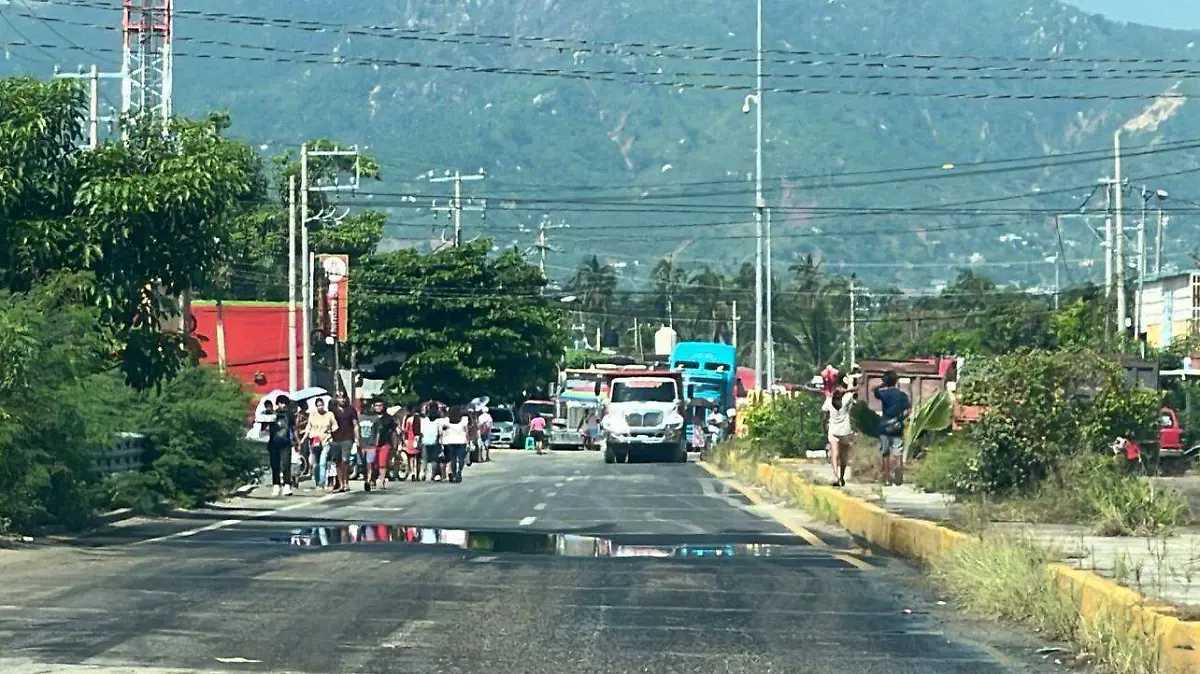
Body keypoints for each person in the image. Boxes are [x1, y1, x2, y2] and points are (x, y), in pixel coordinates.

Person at [874, 371, 911, 487]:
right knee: (897, 451)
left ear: (885, 381)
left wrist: (882, 385)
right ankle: (898, 474)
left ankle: (887, 479)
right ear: (896, 381)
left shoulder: (883, 393)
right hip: (897, 426)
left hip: (884, 426)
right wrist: (899, 419)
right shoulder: (902, 395)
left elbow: (874, 391)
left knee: (885, 452)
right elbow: (908, 411)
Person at [823, 388, 856, 487]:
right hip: (845, 431)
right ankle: (841, 477)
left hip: (834, 430)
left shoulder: (829, 401)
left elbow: (824, 415)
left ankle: (836, 476)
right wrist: (847, 390)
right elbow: (858, 388)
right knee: (843, 456)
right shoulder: (846, 399)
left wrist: (823, 426)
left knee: (835, 454)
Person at [306, 398, 339, 490]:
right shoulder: (312, 415)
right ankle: (317, 482)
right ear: (316, 406)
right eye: (318, 405)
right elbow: (309, 427)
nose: (320, 407)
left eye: (321, 405)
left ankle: (322, 482)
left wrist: (330, 431)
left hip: (326, 441)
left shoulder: (329, 415)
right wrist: (304, 438)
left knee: (322, 462)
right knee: (315, 464)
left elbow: (335, 426)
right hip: (314, 442)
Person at [265, 395, 295, 496]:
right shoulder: (272, 414)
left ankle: (287, 485)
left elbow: (293, 428)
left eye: (285, 403)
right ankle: (276, 485)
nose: (283, 405)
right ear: (277, 403)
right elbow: (264, 424)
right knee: (275, 465)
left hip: (286, 443)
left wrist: (296, 440)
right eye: (281, 403)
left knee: (286, 464)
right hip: (273, 442)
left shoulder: (290, 414)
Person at [330, 393, 359, 493]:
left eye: (343, 398)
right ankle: (341, 483)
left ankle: (346, 482)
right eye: (339, 398)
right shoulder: (332, 410)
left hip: (348, 438)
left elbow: (355, 424)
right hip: (335, 438)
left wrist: (357, 438)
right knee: (337, 461)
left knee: (345, 460)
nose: (342, 400)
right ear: (336, 398)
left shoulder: (351, 409)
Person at [437, 406, 471, 483]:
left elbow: (442, 429)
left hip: (451, 441)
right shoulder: (463, 420)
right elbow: (466, 431)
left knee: (453, 459)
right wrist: (468, 440)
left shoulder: (447, 420)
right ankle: (459, 471)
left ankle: (454, 474)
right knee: (461, 458)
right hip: (462, 441)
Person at [420, 405, 441, 481]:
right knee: (434, 459)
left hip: (425, 441)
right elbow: (440, 432)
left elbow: (421, 432)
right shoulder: (439, 421)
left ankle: (423, 473)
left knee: (424, 459)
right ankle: (433, 474)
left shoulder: (424, 420)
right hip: (435, 442)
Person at [403, 405, 421, 481]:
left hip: (410, 440)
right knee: (418, 459)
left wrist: (405, 440)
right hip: (418, 440)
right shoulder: (421, 419)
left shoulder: (409, 420)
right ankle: (417, 474)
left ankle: (412, 472)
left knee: (411, 458)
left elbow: (405, 430)